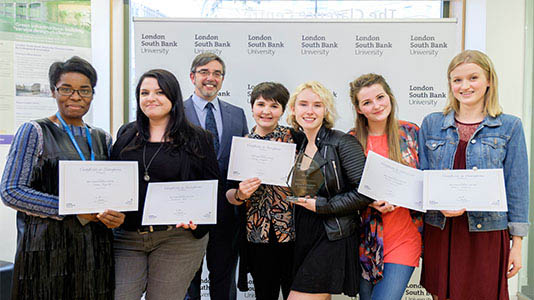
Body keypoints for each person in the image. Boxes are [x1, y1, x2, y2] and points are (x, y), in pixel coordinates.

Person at [0, 56, 124, 300]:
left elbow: (113, 192)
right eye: (66, 89)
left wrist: (116, 215)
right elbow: (12, 190)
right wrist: (70, 208)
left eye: (84, 90)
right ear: (53, 91)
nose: (75, 97)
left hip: (95, 251)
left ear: (92, 94)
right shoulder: (34, 131)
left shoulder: (102, 138)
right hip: (46, 251)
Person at [419, 50, 529, 300]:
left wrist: (518, 245)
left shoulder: (510, 126)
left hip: (487, 234)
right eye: (457, 80)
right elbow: (422, 179)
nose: (464, 86)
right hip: (443, 228)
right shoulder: (431, 124)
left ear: (489, 80)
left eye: (473, 78)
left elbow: (518, 188)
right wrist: (437, 204)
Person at [111, 69, 220, 300]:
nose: (151, 98)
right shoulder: (126, 134)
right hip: (128, 236)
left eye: (160, 92)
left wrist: (198, 219)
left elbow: (212, 188)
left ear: (173, 96)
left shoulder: (198, 138)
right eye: (144, 92)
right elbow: (112, 180)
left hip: (177, 238)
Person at [286, 81, 371, 300]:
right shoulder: (301, 144)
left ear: (326, 111)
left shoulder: (342, 142)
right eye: (303, 104)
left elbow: (366, 192)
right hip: (304, 233)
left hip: (332, 234)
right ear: (293, 109)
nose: (310, 111)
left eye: (317, 105)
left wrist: (324, 206)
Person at [348, 74, 423, 300]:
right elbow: (345, 190)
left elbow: (426, 180)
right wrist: (369, 200)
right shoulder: (351, 140)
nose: (376, 105)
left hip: (405, 237)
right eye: (367, 102)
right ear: (359, 109)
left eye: (380, 97)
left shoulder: (411, 132)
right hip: (364, 241)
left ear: (389, 97)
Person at [184, 52, 248, 300]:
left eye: (217, 73)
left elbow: (242, 161)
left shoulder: (237, 114)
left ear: (222, 79)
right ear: (193, 77)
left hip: (227, 211)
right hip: (189, 213)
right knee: (190, 281)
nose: (210, 78)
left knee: (223, 280)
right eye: (204, 72)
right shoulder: (176, 112)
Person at [226, 82, 295, 300]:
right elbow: (229, 194)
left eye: (274, 106)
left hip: (293, 233)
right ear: (252, 107)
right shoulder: (243, 144)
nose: (266, 111)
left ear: (283, 110)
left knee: (295, 293)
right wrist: (241, 194)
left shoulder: (296, 139)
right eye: (260, 104)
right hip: (258, 234)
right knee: (265, 294)